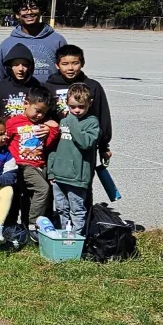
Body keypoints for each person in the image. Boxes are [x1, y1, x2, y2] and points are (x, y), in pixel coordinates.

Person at [47, 85, 100, 235]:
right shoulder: (64, 121)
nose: (76, 110)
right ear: (66, 103)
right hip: (59, 175)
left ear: (90, 102)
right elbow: (54, 148)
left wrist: (72, 122)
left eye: (81, 106)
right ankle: (63, 235)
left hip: (77, 178)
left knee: (77, 209)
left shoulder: (91, 122)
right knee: (61, 208)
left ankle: (76, 239)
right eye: (72, 106)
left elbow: (85, 143)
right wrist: (51, 171)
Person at [47, 44, 113, 161]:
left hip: (85, 145)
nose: (70, 68)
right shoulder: (49, 86)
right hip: (57, 145)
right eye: (65, 64)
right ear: (57, 65)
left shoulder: (93, 86)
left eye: (75, 63)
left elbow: (102, 116)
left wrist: (103, 146)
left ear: (82, 63)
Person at [5, 86, 59, 225]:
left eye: (44, 112)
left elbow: (48, 145)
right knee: (43, 189)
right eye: (38, 111)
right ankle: (34, 222)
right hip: (22, 165)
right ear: (26, 104)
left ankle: (25, 224)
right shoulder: (13, 122)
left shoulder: (45, 125)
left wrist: (52, 129)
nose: (40, 115)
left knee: (30, 197)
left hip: (40, 165)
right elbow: (4, 141)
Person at [0, 0, 68, 86]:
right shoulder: (7, 45)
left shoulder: (58, 41)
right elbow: (0, 77)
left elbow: (67, 70)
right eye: (24, 9)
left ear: (42, 11)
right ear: (17, 14)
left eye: (34, 8)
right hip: (19, 98)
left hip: (50, 97)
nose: (29, 12)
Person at [0, 47, 41, 121]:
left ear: (30, 66)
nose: (20, 69)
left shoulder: (38, 87)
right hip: (6, 130)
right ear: (10, 66)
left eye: (25, 65)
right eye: (16, 64)